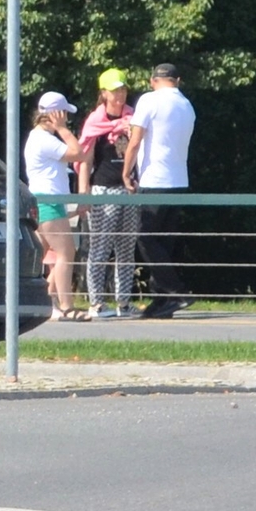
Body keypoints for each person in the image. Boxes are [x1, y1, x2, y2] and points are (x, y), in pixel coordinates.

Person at [128, 62, 197, 318]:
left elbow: (134, 142)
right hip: (179, 180)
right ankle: (162, 300)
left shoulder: (149, 100)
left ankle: (175, 290)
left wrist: (127, 173)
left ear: (152, 80)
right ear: (177, 80)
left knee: (145, 238)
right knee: (164, 243)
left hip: (154, 180)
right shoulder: (186, 105)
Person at [76, 69, 139, 319]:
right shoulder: (95, 122)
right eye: (114, 90)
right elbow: (84, 160)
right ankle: (97, 302)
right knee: (100, 247)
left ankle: (124, 302)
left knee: (126, 248)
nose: (120, 95)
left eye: (123, 89)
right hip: (103, 189)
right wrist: (84, 194)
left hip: (129, 190)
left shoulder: (133, 118)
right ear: (103, 93)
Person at [23, 92, 82, 319]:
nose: (67, 117)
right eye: (64, 113)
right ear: (56, 114)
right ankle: (67, 306)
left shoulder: (40, 138)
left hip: (46, 200)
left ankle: (46, 302)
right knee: (66, 252)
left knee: (42, 254)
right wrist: (63, 130)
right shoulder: (44, 139)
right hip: (49, 201)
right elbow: (78, 154)